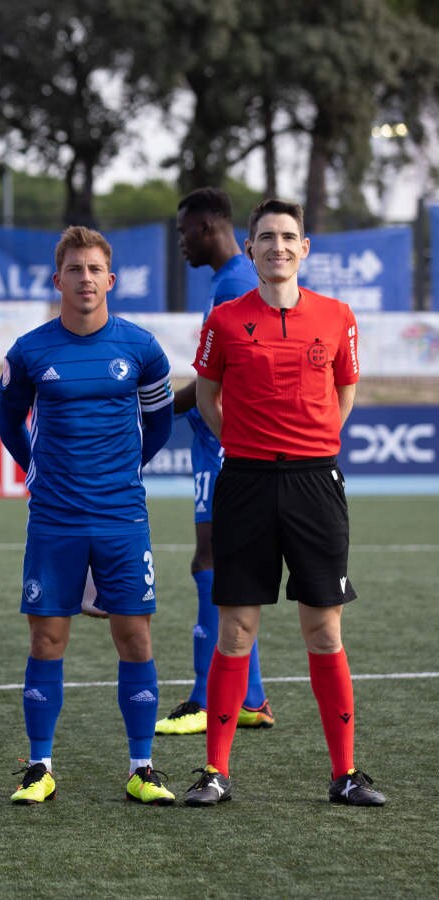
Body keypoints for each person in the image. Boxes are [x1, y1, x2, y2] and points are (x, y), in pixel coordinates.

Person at [184, 199, 385, 807]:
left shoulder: (337, 316)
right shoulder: (223, 319)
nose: (277, 246)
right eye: (266, 237)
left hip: (315, 485)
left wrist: (308, 447)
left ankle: (345, 774)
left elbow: (344, 393)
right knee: (236, 629)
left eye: (288, 237)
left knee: (323, 629)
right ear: (250, 249)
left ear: (304, 249)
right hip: (244, 483)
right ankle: (215, 773)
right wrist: (248, 447)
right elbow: (209, 398)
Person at [0, 226, 176, 806]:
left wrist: (125, 472)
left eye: (95, 270)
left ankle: (142, 767)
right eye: (75, 270)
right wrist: (36, 471)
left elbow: (161, 425)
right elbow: (9, 421)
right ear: (59, 280)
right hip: (55, 519)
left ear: (111, 280)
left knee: (134, 637)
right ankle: (39, 766)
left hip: (122, 516)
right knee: (47, 637)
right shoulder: (29, 351)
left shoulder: (143, 349)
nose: (85, 279)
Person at [156, 187, 274, 735]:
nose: (180, 242)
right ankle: (248, 697)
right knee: (217, 564)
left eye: (183, 231)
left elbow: (220, 379)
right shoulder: (225, 284)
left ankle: (208, 699)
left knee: (211, 563)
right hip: (214, 443)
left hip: (228, 444)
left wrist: (151, 410)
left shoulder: (237, 284)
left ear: (207, 226)